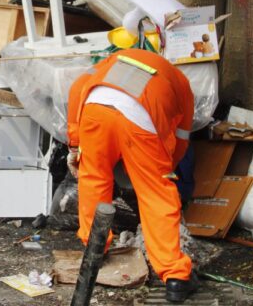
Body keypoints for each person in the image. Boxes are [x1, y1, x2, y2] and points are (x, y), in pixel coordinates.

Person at [67, 48, 197, 303]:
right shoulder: (180, 82)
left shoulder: (113, 59)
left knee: (93, 177)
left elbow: (76, 89)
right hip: (142, 117)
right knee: (155, 192)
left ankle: (94, 248)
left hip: (96, 108)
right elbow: (181, 139)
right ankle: (175, 276)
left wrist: (75, 141)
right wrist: (161, 168)